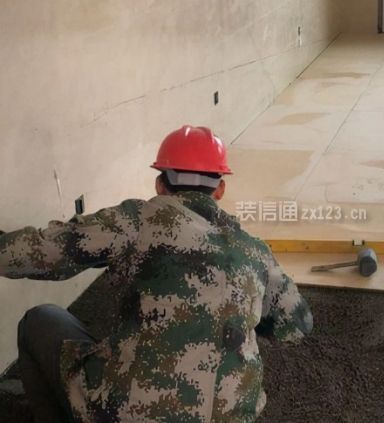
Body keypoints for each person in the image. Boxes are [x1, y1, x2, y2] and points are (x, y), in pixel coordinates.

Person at [0, 125, 313, 422]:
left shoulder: (138, 220)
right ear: (220, 189)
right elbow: (297, 325)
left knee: (38, 320)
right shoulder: (255, 250)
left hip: (131, 412)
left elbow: (39, 253)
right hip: (232, 415)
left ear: (160, 185)